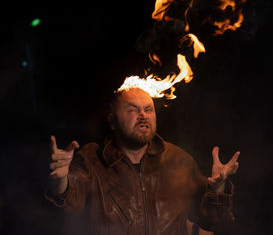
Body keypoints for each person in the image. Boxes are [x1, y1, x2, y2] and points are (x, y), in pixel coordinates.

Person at [45, 88, 240, 235]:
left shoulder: (178, 160)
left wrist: (218, 189)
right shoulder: (91, 159)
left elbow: (212, 221)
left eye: (148, 109)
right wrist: (60, 180)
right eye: (132, 110)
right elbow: (68, 203)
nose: (143, 115)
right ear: (112, 122)